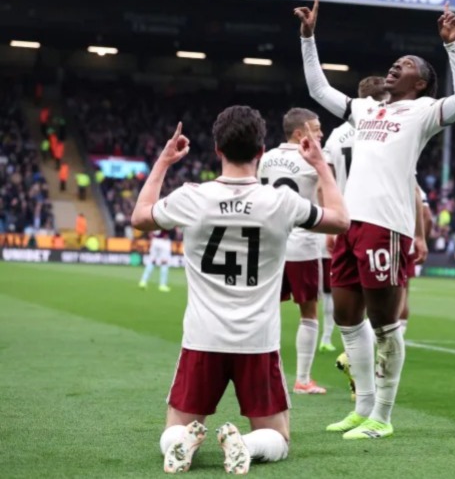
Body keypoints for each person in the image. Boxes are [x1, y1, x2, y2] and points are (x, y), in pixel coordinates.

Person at [130, 108, 349, 474]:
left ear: (217, 149)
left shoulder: (192, 197)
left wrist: (164, 161)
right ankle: (245, 444)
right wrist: (320, 166)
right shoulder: (281, 202)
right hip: (257, 341)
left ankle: (182, 442)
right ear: (261, 151)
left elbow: (140, 217)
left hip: (203, 337)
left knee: (174, 428)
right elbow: (341, 221)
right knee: (278, 438)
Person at [295, 0, 455, 438]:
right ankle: (362, 408)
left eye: (406, 64)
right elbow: (319, 91)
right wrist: (308, 38)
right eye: (396, 62)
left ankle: (383, 416)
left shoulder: (424, 112)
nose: (396, 65)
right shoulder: (365, 109)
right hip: (349, 224)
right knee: (347, 319)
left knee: (385, 325)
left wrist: (453, 46)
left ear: (421, 83)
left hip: (386, 227)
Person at [258, 107, 327, 395]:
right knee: (308, 312)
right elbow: (324, 193)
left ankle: (261, 375)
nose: (321, 134)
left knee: (265, 309)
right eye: (316, 128)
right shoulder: (314, 159)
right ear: (300, 134)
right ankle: (302, 379)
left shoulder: (266, 158)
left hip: (269, 243)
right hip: (302, 244)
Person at [319, 75, 388, 353]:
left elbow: (325, 182)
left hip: (343, 220)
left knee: (345, 292)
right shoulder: (388, 129)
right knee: (380, 298)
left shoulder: (336, 135)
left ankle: (347, 351)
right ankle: (378, 360)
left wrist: (329, 222)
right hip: (379, 219)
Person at [400, 185, 432, 336]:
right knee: (403, 293)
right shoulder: (417, 187)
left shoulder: (401, 183)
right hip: (409, 245)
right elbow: (428, 219)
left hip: (391, 240)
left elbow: (428, 218)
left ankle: (386, 337)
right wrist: (421, 240)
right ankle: (399, 334)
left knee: (378, 294)